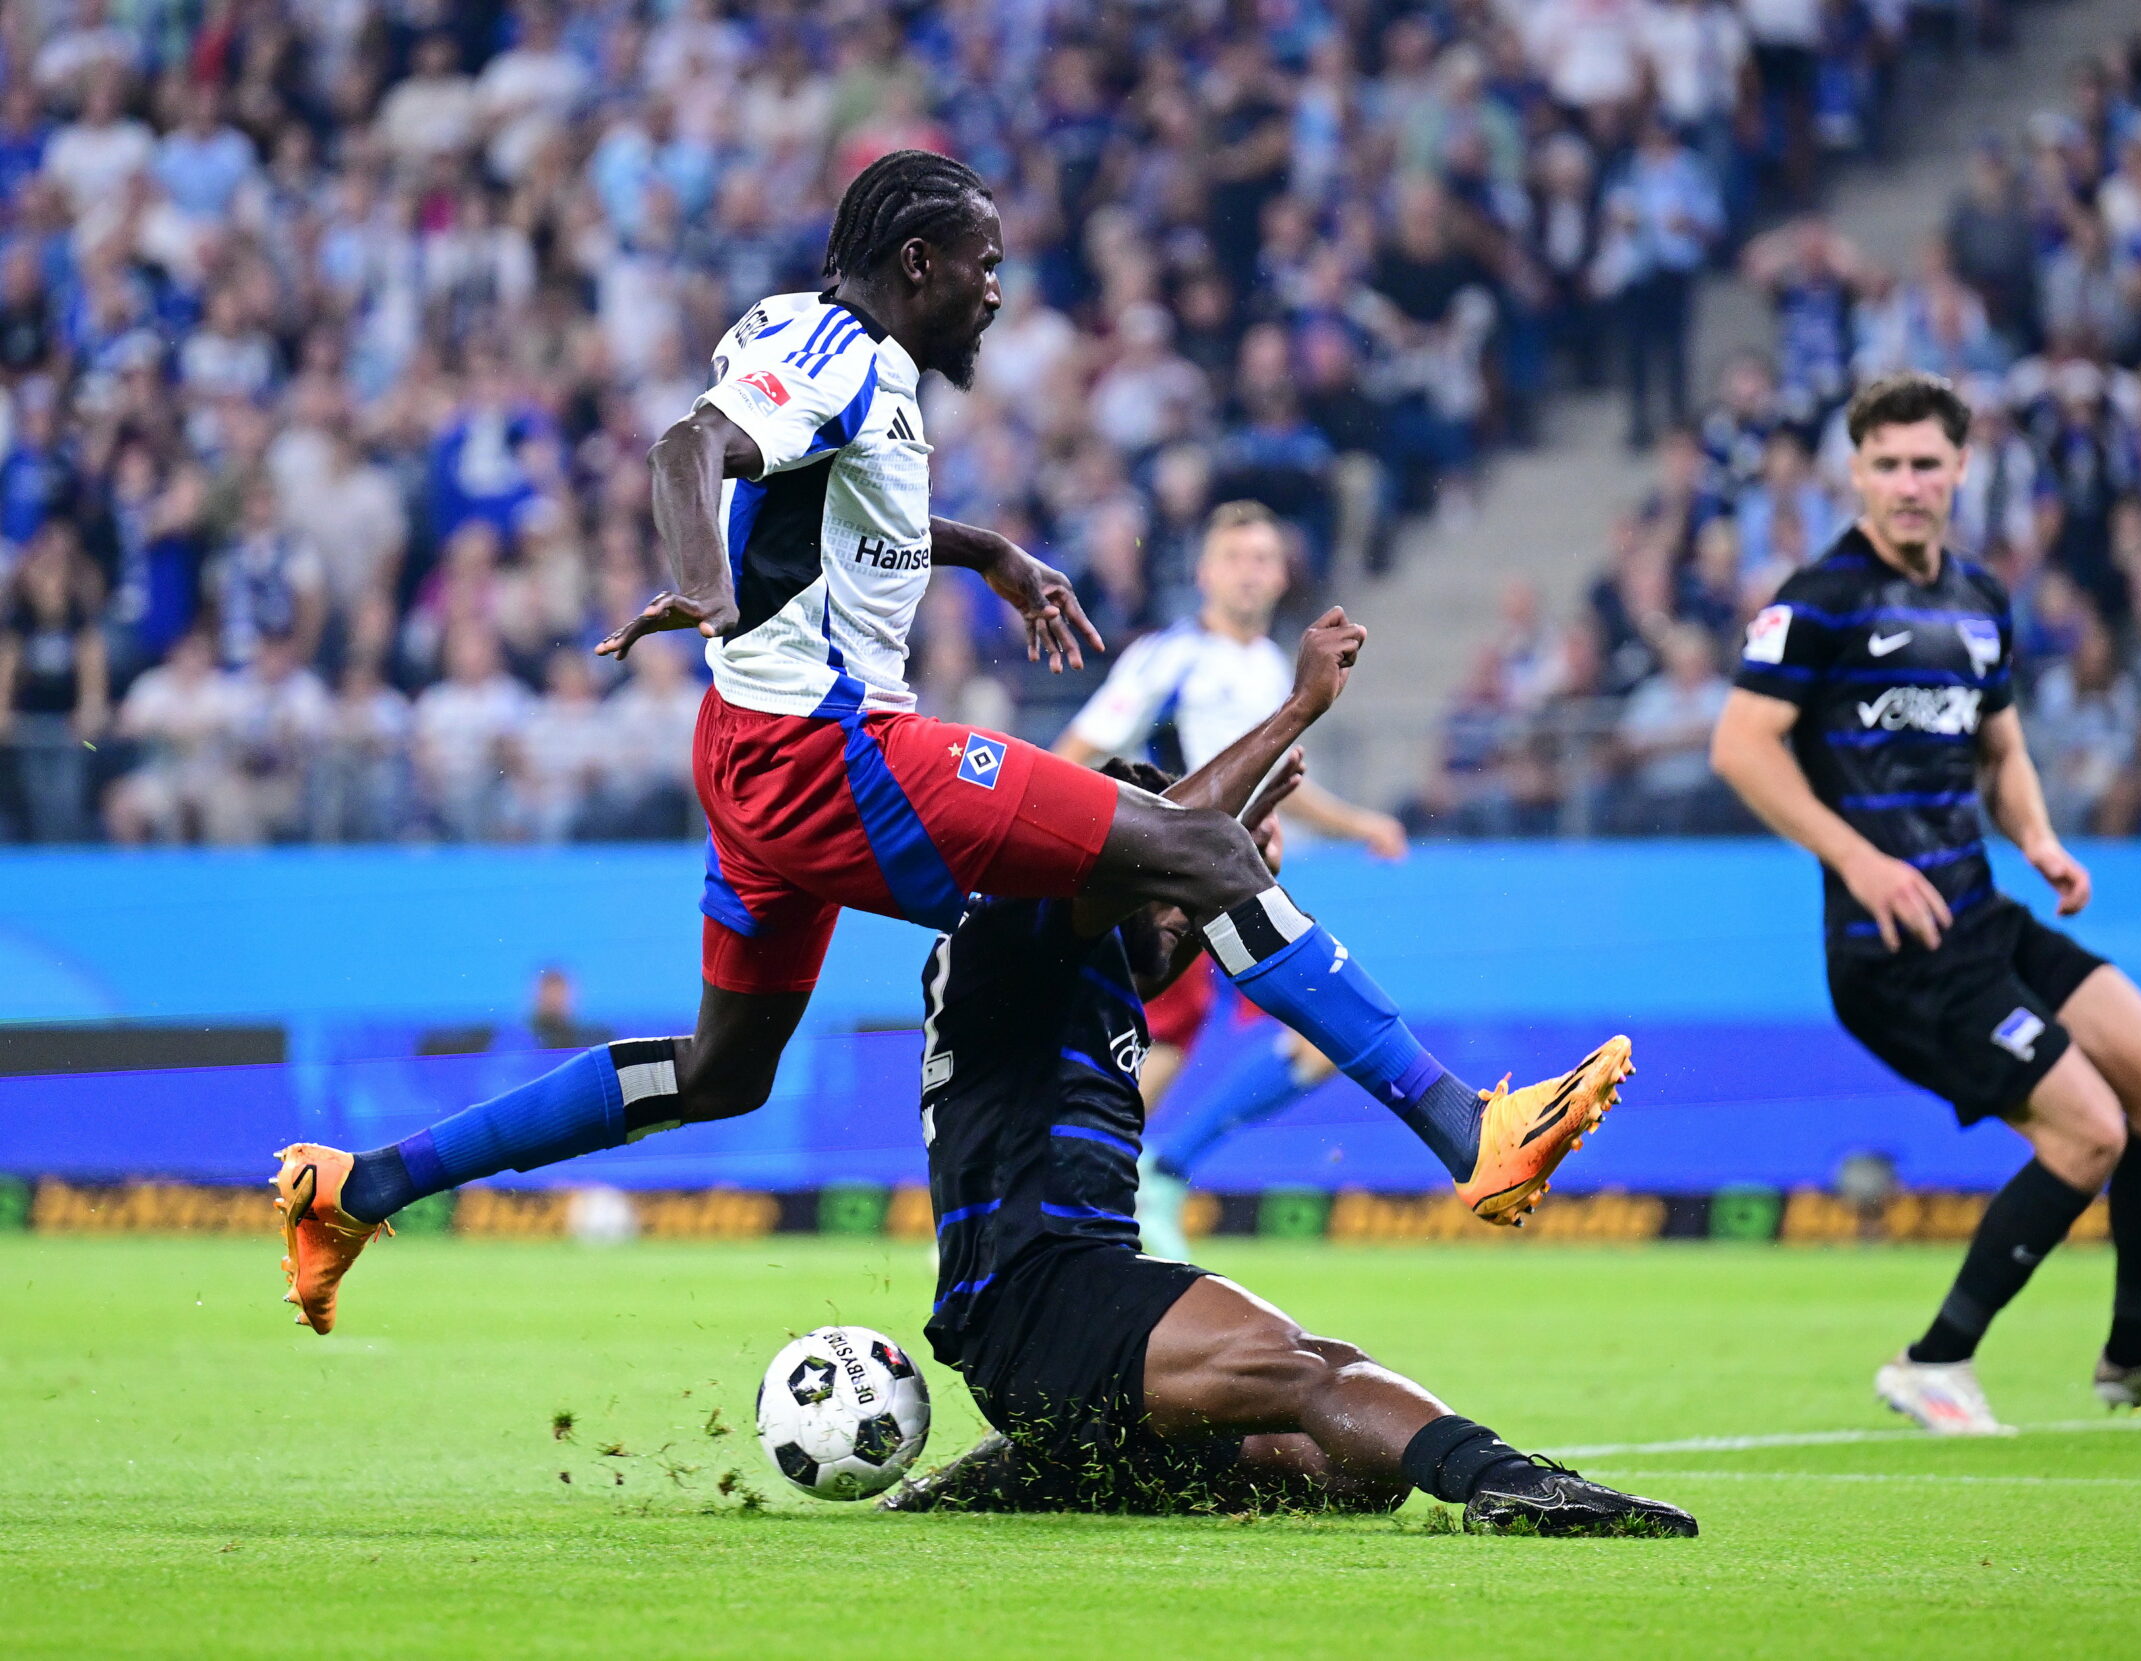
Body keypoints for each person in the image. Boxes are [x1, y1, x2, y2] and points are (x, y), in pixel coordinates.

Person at [270, 153, 1627, 1334]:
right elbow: (691, 451)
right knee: (1202, 853)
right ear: (915, 262)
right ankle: (1468, 1125)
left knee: (722, 1070)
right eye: (982, 266)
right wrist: (702, 579)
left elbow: (835, 500)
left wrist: (989, 554)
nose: (995, 289)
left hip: (754, 756)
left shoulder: (831, 347)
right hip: (830, 753)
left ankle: (360, 1187)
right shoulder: (840, 356)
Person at [876, 617, 1683, 1536]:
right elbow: (1154, 851)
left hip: (1048, 1326)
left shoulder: (1060, 973)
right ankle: (1516, 1484)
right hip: (1047, 1299)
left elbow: (1160, 927)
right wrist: (1295, 710)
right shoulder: (1009, 923)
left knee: (1349, 1468)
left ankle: (1046, 1464)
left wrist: (1237, 847)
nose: (1175, 919)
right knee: (1317, 1370)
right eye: (1158, 881)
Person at [1709, 371, 2141, 1435]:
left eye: (1927, 462)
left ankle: (2138, 1348)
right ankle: (1933, 1360)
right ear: (1856, 473)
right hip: (1892, 946)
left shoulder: (1976, 600)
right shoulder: (1819, 598)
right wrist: (1859, 861)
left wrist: (2039, 837)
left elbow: (1999, 745)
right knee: (2089, 1133)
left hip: (1983, 914)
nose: (1907, 483)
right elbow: (1739, 745)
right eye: (1886, 464)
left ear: (1961, 468)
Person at [1055, 498, 1409, 1258]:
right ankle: (1073, 1189)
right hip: (1170, 884)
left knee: (1304, 1040)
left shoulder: (1270, 667)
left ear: (1283, 575)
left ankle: (1153, 1171)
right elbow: (1077, 749)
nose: (1251, 572)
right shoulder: (1167, 656)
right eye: (1236, 558)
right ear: (1205, 572)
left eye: (1264, 558)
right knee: (1164, 1044)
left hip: (1243, 877)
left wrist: (1360, 825)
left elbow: (1280, 780)